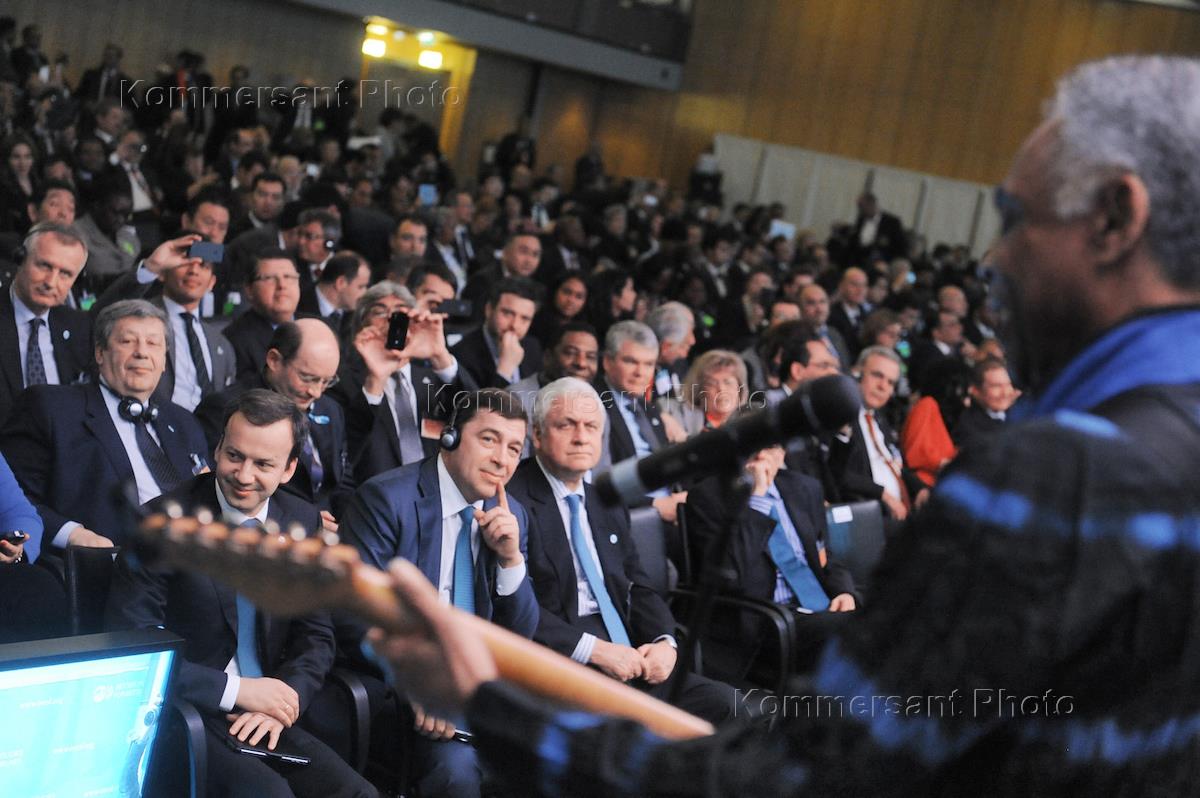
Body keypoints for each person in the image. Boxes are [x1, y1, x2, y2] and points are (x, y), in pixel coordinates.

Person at [364, 55, 1200, 796]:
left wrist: (489, 705)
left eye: (1015, 218)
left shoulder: (1060, 477)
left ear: (1114, 218)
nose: (995, 258)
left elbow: (802, 779)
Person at [105, 389, 377, 798]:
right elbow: (137, 647)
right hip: (187, 711)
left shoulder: (301, 519)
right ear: (217, 449)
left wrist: (286, 699)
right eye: (235, 456)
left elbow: (316, 633)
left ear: (288, 469)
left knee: (357, 793)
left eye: (263, 464)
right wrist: (238, 691)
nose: (244, 475)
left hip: (269, 710)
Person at [340, 387, 538, 798]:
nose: (502, 459)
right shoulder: (387, 499)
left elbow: (521, 634)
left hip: (478, 689)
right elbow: (352, 616)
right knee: (458, 773)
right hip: (401, 687)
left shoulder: (510, 514)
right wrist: (420, 684)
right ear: (450, 437)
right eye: (489, 439)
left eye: (514, 449)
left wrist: (510, 559)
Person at [507, 377, 740, 725]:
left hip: (631, 653)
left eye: (591, 427)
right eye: (566, 425)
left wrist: (665, 642)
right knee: (628, 733)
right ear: (537, 435)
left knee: (728, 705)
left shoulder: (607, 501)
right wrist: (595, 651)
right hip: (564, 662)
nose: (581, 437)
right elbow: (513, 606)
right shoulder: (512, 502)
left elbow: (637, 583)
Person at [0, 300, 209, 551]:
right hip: (104, 560)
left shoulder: (184, 422)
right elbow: (14, 499)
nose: (142, 352)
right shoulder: (51, 407)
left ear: (164, 360)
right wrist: (72, 534)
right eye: (127, 341)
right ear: (100, 352)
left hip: (188, 558)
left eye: (153, 343)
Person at [196, 319, 352, 524]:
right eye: (307, 378)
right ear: (274, 360)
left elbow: (342, 481)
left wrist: (350, 523)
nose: (316, 392)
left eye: (326, 381)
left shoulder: (330, 408)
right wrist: (306, 518)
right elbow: (223, 482)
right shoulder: (230, 408)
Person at [0, 222, 93, 425]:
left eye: (65, 274)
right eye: (44, 266)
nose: (51, 282)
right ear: (20, 259)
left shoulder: (80, 327)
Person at [450, 277, 543, 390]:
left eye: (525, 318)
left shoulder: (532, 346)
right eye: (508, 313)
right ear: (489, 309)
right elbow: (479, 401)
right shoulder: (462, 355)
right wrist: (505, 370)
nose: (515, 325)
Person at [223, 248, 302, 380]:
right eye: (269, 278)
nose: (282, 285)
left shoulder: (320, 327)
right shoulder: (234, 340)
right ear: (249, 290)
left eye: (288, 277)